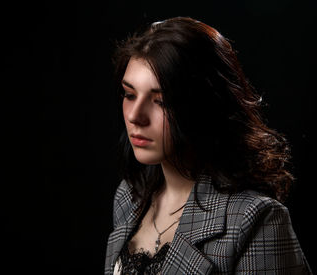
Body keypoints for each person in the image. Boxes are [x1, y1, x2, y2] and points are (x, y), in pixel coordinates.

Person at [104, 17, 312, 274]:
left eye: (162, 101)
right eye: (130, 94)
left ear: (205, 106)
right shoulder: (128, 196)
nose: (135, 115)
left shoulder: (254, 219)